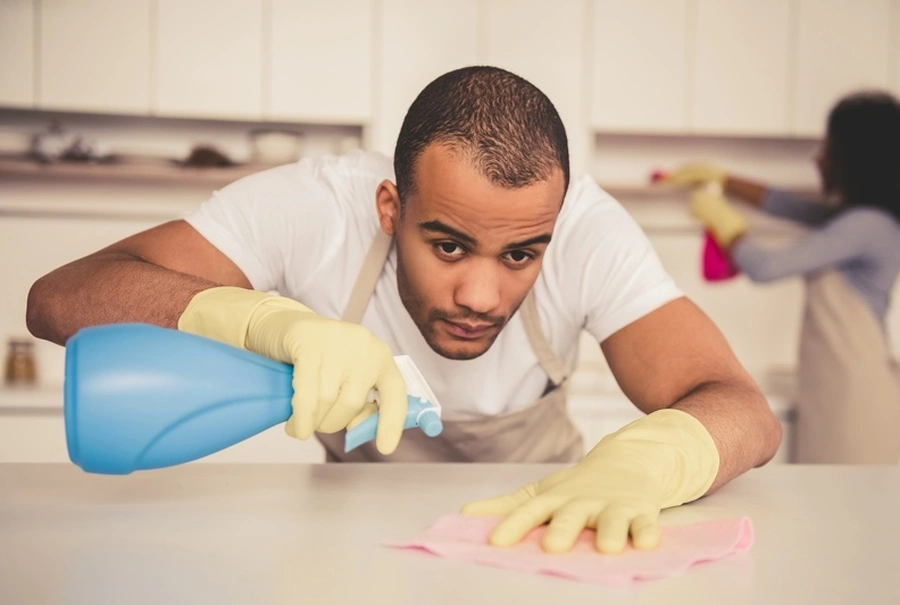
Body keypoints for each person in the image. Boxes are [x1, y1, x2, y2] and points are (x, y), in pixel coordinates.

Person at [26, 66, 781, 553]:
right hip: (348, 535)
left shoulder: (587, 231)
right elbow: (57, 298)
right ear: (391, 206)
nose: (480, 297)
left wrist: (654, 459)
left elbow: (744, 406)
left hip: (541, 534)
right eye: (448, 246)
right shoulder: (313, 209)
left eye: (521, 254)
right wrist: (262, 321)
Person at [668, 91, 900, 464]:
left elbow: (767, 267)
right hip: (839, 391)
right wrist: (724, 180)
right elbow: (787, 205)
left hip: (859, 402)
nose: (819, 158)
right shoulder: (859, 220)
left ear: (855, 158)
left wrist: (721, 217)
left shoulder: (866, 226)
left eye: (829, 147)